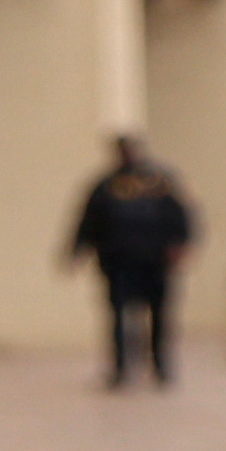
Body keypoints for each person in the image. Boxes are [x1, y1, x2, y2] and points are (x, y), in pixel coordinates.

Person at [64, 134, 203, 387]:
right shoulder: (106, 186)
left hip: (155, 263)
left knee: (159, 316)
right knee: (118, 316)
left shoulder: (159, 182)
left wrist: (181, 244)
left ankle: (160, 365)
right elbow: (89, 221)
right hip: (118, 263)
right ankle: (120, 368)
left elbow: (181, 215)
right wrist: (77, 251)